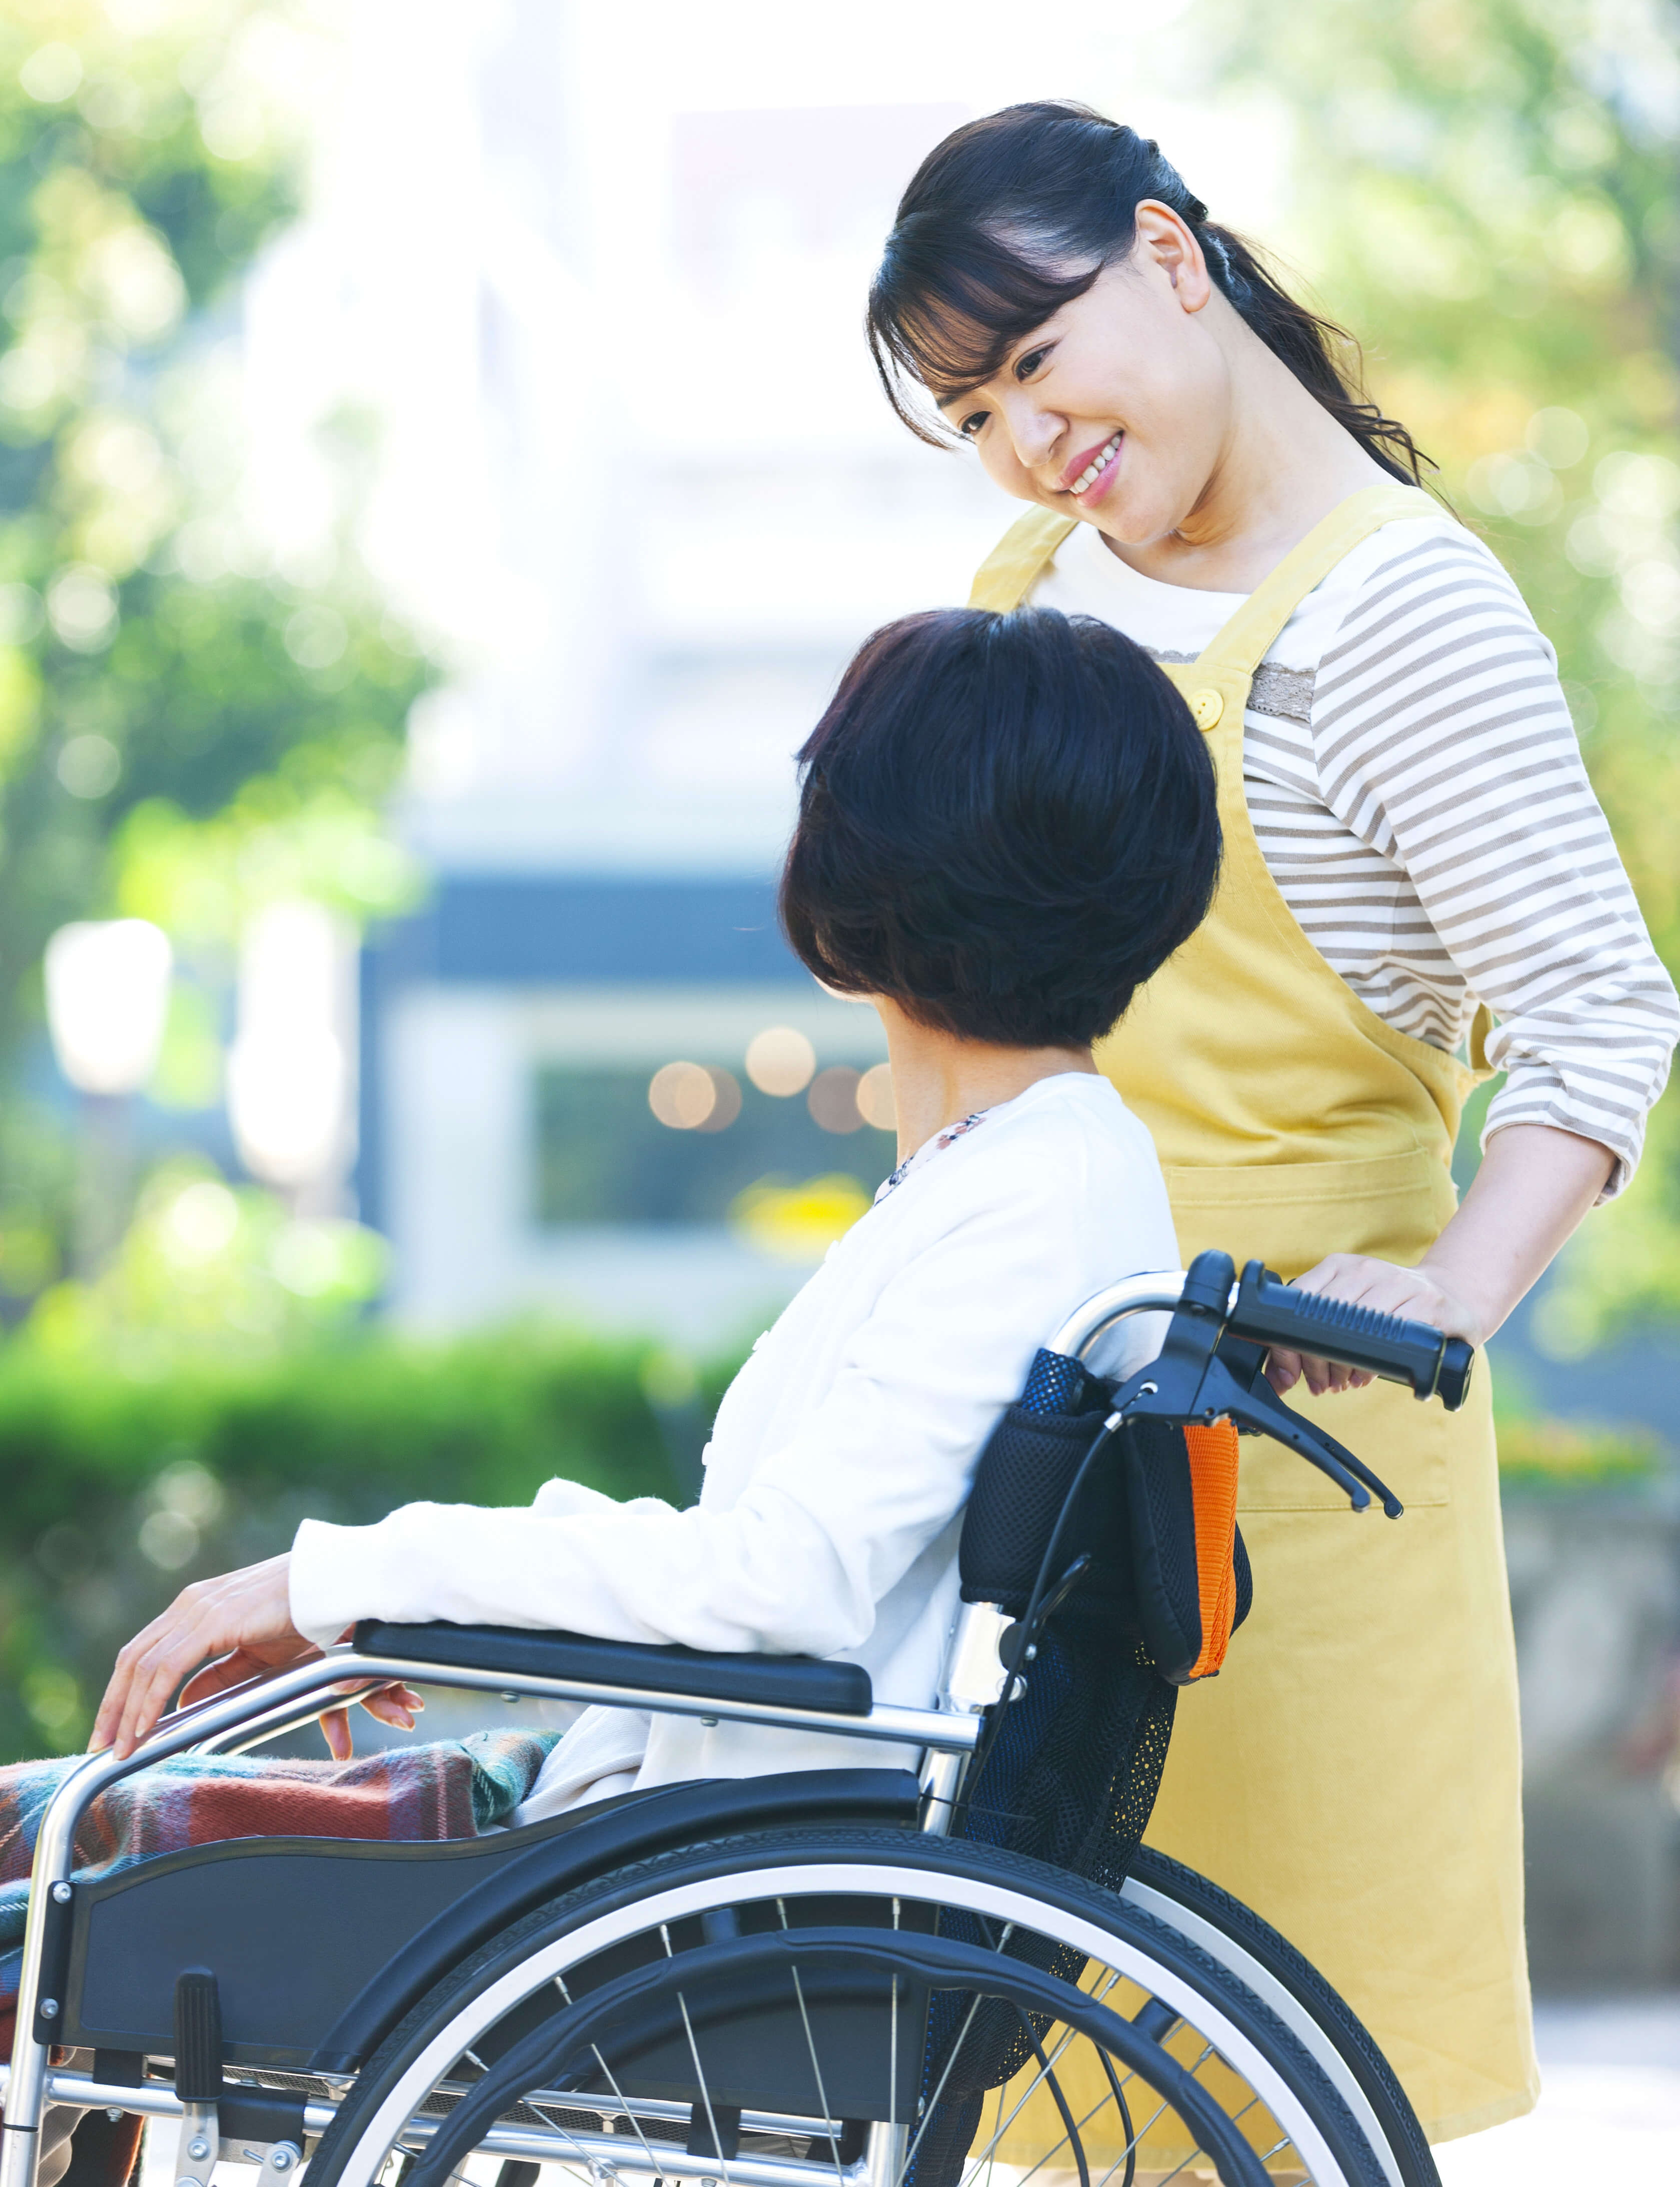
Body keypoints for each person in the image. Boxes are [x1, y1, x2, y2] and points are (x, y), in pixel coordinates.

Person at [864, 100, 1680, 2144]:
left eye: (1035, 361)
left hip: (1298, 1459)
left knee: (1275, 2106)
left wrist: (1446, 1291)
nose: (1026, 441)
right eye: (973, 411)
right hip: (1056, 1450)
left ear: (1168, 252)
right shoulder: (1036, 581)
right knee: (1047, 2099)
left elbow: (1595, 1016)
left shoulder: (1401, 613)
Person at [53, 605, 1213, 1873]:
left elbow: (782, 1582)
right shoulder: (1025, 1171)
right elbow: (765, 1569)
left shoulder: (1032, 1190)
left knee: (48, 1856)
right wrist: (391, 1597)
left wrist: (349, 1576)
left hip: (703, 1869)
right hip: (688, 1827)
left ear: (869, 856)